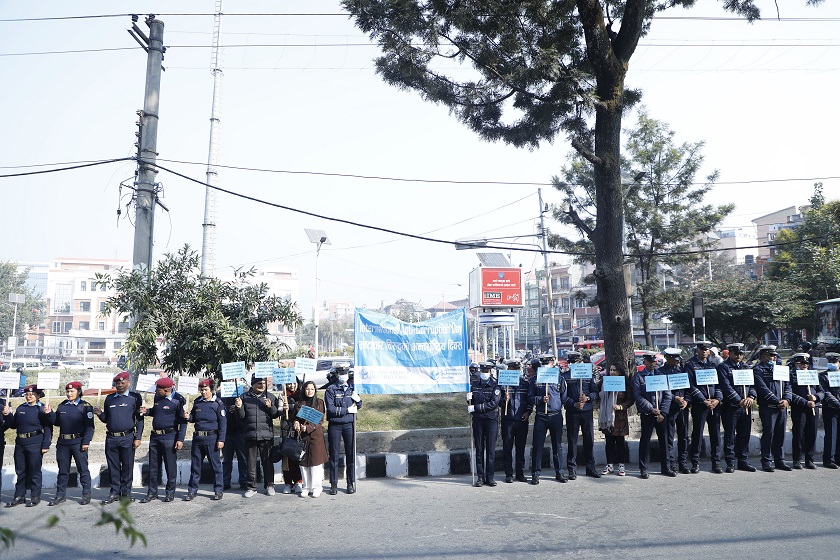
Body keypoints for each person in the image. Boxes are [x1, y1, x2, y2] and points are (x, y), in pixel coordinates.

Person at [94, 371, 144, 504]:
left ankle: (126, 493)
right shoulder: (109, 398)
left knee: (127, 467)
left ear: (128, 382)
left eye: (123, 383)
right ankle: (114, 493)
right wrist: (100, 414)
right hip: (111, 438)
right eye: (117, 383)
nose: (120, 385)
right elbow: (106, 419)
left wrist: (138, 437)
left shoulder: (135, 397)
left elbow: (140, 419)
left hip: (127, 437)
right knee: (113, 467)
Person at [3, 384, 52, 507]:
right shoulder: (20, 408)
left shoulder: (42, 409)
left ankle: (35, 496)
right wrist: (8, 415)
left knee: (35, 472)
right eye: (27, 394)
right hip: (20, 443)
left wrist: (46, 445)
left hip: (35, 442)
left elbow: (48, 428)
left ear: (38, 395)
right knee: (20, 471)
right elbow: (13, 425)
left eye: (32, 394)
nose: (29, 396)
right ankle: (19, 496)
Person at [47, 381, 95, 506]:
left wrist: (86, 441)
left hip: (78, 442)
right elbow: (57, 422)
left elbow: (90, 427)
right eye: (67, 391)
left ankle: (86, 494)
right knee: (63, 470)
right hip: (63, 443)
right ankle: (60, 495)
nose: (69, 394)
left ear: (79, 391)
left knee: (82, 469)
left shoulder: (85, 406)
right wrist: (50, 413)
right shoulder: (62, 406)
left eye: (72, 391)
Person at [139, 377, 186, 503]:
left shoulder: (179, 400)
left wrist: (180, 439)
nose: (155, 391)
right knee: (153, 467)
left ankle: (170, 492)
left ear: (166, 390)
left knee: (170, 467)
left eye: (158, 389)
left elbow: (183, 422)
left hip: (170, 437)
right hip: (155, 437)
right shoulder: (157, 397)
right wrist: (147, 411)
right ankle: (152, 492)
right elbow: (157, 412)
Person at [235, 375, 282, 497]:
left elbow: (275, 415)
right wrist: (239, 407)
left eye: (263, 383)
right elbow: (240, 417)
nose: (262, 386)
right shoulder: (244, 397)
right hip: (250, 435)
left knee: (267, 462)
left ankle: (270, 485)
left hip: (266, 435)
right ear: (253, 384)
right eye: (259, 384)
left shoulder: (270, 397)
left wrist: (270, 406)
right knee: (250, 463)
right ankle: (251, 487)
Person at [184, 378, 227, 501]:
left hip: (212, 439)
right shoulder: (198, 402)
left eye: (206, 389)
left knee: (216, 467)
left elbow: (223, 423)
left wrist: (221, 440)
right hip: (198, 439)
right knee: (195, 467)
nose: (203, 392)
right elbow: (193, 418)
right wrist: (188, 417)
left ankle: (218, 490)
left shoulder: (218, 404)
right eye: (201, 390)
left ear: (212, 390)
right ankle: (192, 491)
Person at [633, 353, 675, 479]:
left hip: (661, 414)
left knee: (664, 440)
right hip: (648, 413)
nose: (652, 364)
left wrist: (663, 411)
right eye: (649, 362)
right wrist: (652, 409)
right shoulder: (639, 377)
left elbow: (668, 395)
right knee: (645, 440)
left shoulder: (661, 376)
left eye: (654, 362)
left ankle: (666, 467)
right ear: (644, 362)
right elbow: (638, 396)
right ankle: (643, 468)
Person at [716, 343, 757, 472]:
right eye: (736, 353)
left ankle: (743, 461)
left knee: (744, 435)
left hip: (746, 406)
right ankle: (730, 462)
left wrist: (751, 397)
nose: (739, 356)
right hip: (731, 407)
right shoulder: (723, 367)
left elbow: (753, 385)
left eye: (741, 354)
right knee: (730, 436)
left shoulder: (746, 367)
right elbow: (726, 386)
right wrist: (738, 400)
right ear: (730, 353)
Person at [685, 344, 723, 474]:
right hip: (700, 405)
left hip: (714, 404)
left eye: (706, 349)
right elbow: (690, 385)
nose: (704, 351)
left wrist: (717, 399)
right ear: (697, 350)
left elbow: (719, 384)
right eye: (702, 349)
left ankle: (716, 463)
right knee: (698, 434)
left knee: (716, 435)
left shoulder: (713, 365)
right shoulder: (690, 364)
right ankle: (695, 463)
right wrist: (703, 400)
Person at [528, 357, 567, 484]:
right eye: (544, 363)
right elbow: (530, 397)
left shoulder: (559, 378)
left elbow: (564, 396)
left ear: (552, 363)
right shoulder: (535, 379)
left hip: (555, 415)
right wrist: (540, 399)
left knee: (557, 445)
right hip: (541, 415)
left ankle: (559, 472)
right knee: (537, 446)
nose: (546, 365)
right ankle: (535, 474)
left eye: (548, 363)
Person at [753, 345, 792, 472]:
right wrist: (776, 400)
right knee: (768, 434)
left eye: (775, 355)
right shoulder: (758, 369)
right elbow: (762, 389)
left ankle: (780, 460)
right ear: (763, 356)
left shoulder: (780, 369)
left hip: (782, 408)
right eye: (771, 355)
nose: (774, 357)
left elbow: (787, 386)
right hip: (768, 407)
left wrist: (786, 399)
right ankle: (766, 461)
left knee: (780, 435)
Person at [325, 363, 362, 495]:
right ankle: (333, 484)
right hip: (335, 425)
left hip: (349, 425)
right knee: (334, 456)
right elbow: (331, 409)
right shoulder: (331, 390)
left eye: (345, 374)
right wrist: (347, 410)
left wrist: (358, 401)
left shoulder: (352, 388)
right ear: (337, 375)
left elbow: (359, 405)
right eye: (341, 374)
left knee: (350, 454)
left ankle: (350, 482)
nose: (343, 376)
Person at [563, 351, 600, 479]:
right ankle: (571, 469)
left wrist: (587, 398)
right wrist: (574, 404)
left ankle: (591, 468)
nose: (574, 364)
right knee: (572, 441)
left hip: (587, 412)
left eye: (577, 362)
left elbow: (595, 392)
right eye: (572, 362)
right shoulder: (565, 376)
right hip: (572, 413)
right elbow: (563, 396)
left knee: (589, 441)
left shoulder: (588, 375)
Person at [468, 361, 501, 487]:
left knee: (491, 450)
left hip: (491, 420)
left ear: (490, 371)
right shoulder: (475, 385)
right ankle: (480, 477)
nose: (484, 373)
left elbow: (493, 404)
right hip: (478, 421)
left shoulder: (495, 386)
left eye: (486, 371)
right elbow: (471, 403)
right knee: (479, 449)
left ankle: (490, 477)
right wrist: (468, 399)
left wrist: (475, 407)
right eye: (483, 371)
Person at [658, 348, 691, 474]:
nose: (677, 362)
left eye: (678, 359)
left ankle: (683, 462)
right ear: (668, 358)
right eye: (674, 359)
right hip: (669, 408)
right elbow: (660, 391)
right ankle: (671, 463)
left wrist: (686, 400)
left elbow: (688, 389)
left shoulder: (682, 371)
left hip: (682, 408)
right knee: (669, 438)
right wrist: (674, 398)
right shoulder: (660, 372)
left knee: (684, 437)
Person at [294, 380, 328, 498]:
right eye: (307, 389)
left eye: (312, 389)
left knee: (315, 463)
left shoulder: (319, 403)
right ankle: (306, 487)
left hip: (315, 437)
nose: (310, 391)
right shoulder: (299, 403)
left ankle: (316, 487)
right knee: (303, 464)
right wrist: (297, 423)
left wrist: (307, 428)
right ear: (304, 389)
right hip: (302, 438)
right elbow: (295, 418)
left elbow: (319, 420)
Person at [599, 363, 634, 476]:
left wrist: (621, 406)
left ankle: (621, 466)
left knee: (620, 442)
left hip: (619, 417)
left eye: (614, 370)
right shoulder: (605, 382)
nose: (612, 372)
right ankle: (609, 465)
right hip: (607, 416)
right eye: (610, 369)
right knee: (609, 442)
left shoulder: (624, 383)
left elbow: (630, 399)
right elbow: (596, 391)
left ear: (620, 372)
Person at [500, 358, 531, 483]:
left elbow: (529, 400)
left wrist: (528, 412)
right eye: (514, 369)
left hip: (521, 420)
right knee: (507, 447)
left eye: (518, 369)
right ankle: (508, 473)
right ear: (509, 369)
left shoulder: (525, 383)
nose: (516, 371)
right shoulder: (503, 385)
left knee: (520, 447)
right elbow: (499, 403)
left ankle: (520, 473)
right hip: (508, 420)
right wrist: (504, 399)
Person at [789, 352, 820, 469]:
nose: (804, 365)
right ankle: (797, 459)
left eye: (807, 363)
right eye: (802, 363)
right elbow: (789, 392)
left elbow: (821, 391)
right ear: (796, 363)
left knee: (812, 433)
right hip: (799, 408)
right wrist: (804, 402)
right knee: (798, 434)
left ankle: (809, 459)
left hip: (813, 408)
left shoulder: (812, 374)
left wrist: (816, 397)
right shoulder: (792, 375)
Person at [221, 379, 248, 491]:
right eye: (229, 379)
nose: (231, 381)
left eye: (233, 379)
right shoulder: (221, 394)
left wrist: (238, 407)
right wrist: (227, 409)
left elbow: (246, 411)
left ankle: (244, 481)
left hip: (241, 431)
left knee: (243, 458)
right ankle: (225, 481)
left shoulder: (243, 394)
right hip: (227, 432)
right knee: (227, 459)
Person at [280, 380, 303, 495]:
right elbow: (277, 411)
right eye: (289, 383)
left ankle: (299, 482)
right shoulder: (282, 395)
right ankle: (288, 483)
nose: (292, 386)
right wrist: (283, 409)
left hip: (298, 429)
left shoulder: (302, 394)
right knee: (287, 457)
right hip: (286, 429)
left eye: (294, 383)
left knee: (297, 456)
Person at [819, 353, 840, 468]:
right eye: (830, 362)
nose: (833, 364)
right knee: (831, 434)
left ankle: (838, 458)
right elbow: (825, 392)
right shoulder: (823, 376)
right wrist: (838, 404)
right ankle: (828, 459)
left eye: (835, 362)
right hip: (830, 408)